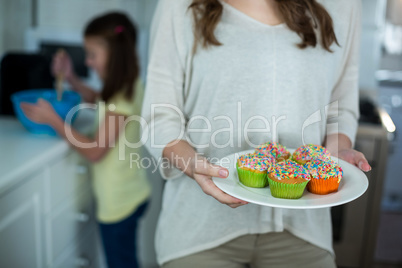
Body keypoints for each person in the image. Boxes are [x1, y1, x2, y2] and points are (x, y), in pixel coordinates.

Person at [141, 0, 371, 267]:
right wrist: (193, 165)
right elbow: (159, 117)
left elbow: (341, 105)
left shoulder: (343, 6)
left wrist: (332, 154)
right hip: (200, 228)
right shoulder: (178, 6)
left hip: (303, 229)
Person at [21, 12, 151, 268]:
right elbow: (98, 100)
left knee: (121, 263)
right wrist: (71, 79)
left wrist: (54, 120)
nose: (88, 62)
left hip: (119, 204)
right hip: (130, 193)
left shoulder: (123, 95)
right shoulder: (126, 85)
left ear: (114, 55)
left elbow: (94, 151)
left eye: (92, 54)